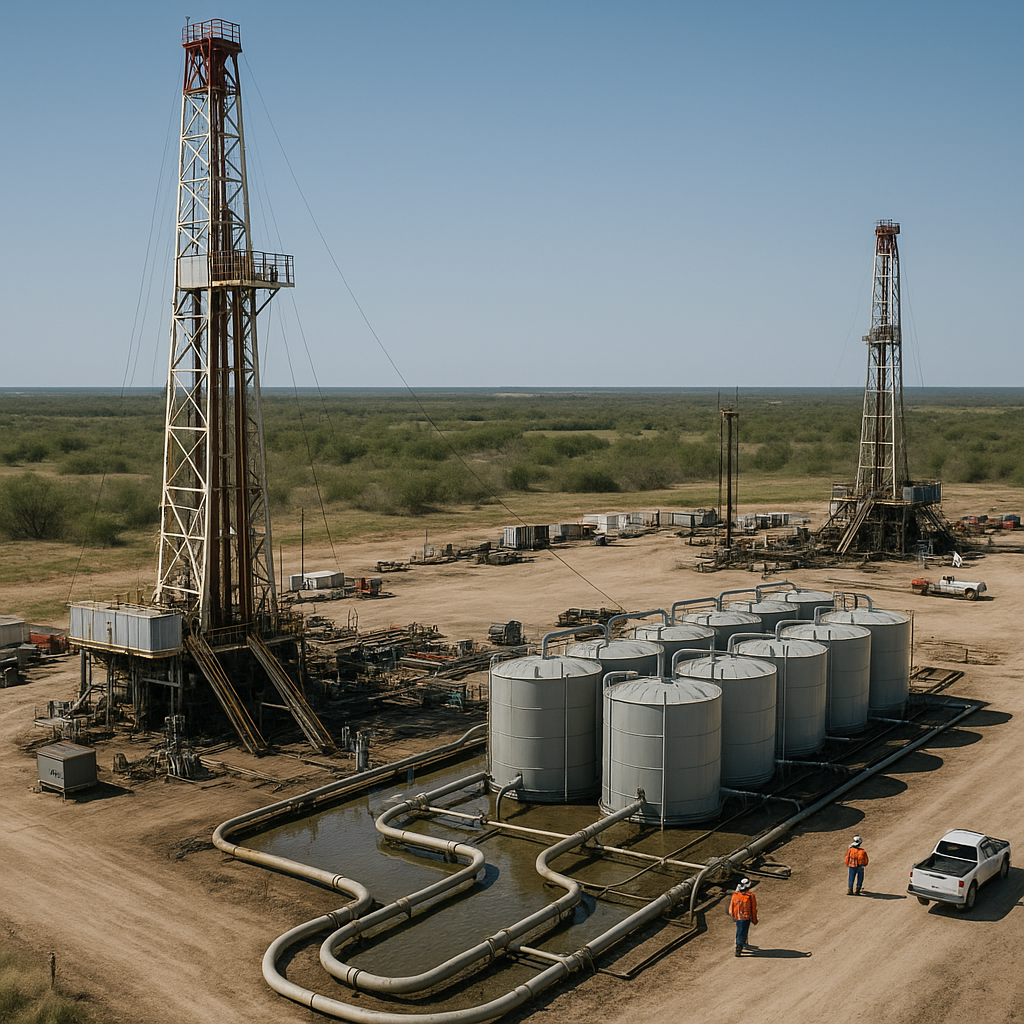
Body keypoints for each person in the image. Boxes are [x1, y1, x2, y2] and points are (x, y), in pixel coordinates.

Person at [728, 877, 758, 956]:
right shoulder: (751, 896)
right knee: (743, 932)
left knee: (740, 931)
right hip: (746, 917)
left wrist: (732, 915)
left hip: (738, 917)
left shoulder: (735, 896)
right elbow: (753, 909)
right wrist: (754, 919)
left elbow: (731, 907)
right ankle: (739, 946)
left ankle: (740, 943)